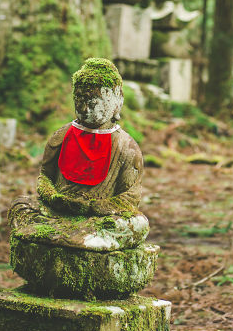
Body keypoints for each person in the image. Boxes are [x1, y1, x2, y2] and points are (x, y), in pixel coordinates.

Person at [9, 57, 146, 251]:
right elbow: (45, 177)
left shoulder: (127, 147)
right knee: (20, 205)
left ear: (117, 102)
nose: (84, 108)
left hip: (99, 219)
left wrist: (95, 207)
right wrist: (53, 197)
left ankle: (70, 237)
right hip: (58, 211)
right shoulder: (61, 136)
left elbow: (130, 197)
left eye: (93, 102)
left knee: (137, 224)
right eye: (79, 100)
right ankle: (77, 239)